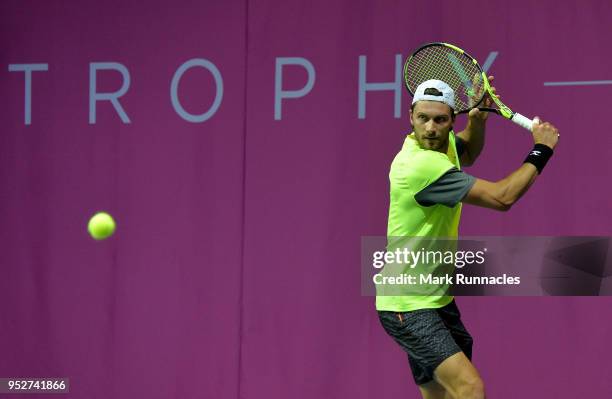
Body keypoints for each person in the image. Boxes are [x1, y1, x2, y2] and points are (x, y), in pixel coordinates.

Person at [376, 79, 559, 399]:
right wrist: (541, 149)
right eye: (424, 118)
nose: (431, 128)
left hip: (435, 299)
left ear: (451, 120)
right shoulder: (420, 165)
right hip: (407, 304)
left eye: (440, 120)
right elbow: (503, 198)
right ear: (411, 116)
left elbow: (468, 151)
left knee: (441, 395)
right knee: (469, 388)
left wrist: (478, 119)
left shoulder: (437, 145)